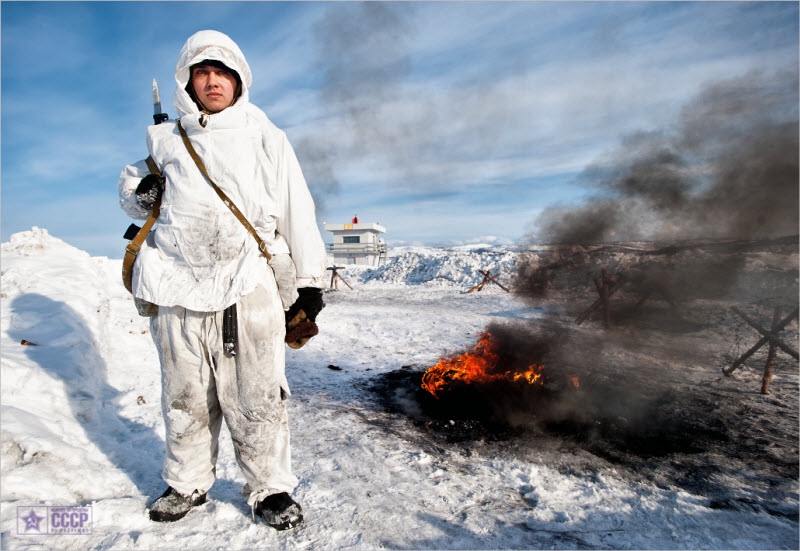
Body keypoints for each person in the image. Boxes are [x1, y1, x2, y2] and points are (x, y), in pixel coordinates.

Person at [117, 29, 327, 530]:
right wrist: (141, 192)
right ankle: (186, 480)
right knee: (184, 392)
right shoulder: (166, 138)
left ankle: (270, 488)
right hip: (175, 282)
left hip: (246, 281)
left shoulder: (265, 136)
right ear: (187, 81)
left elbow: (298, 208)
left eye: (222, 72)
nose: (212, 81)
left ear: (238, 80)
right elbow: (132, 192)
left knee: (256, 392)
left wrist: (311, 282)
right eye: (202, 72)